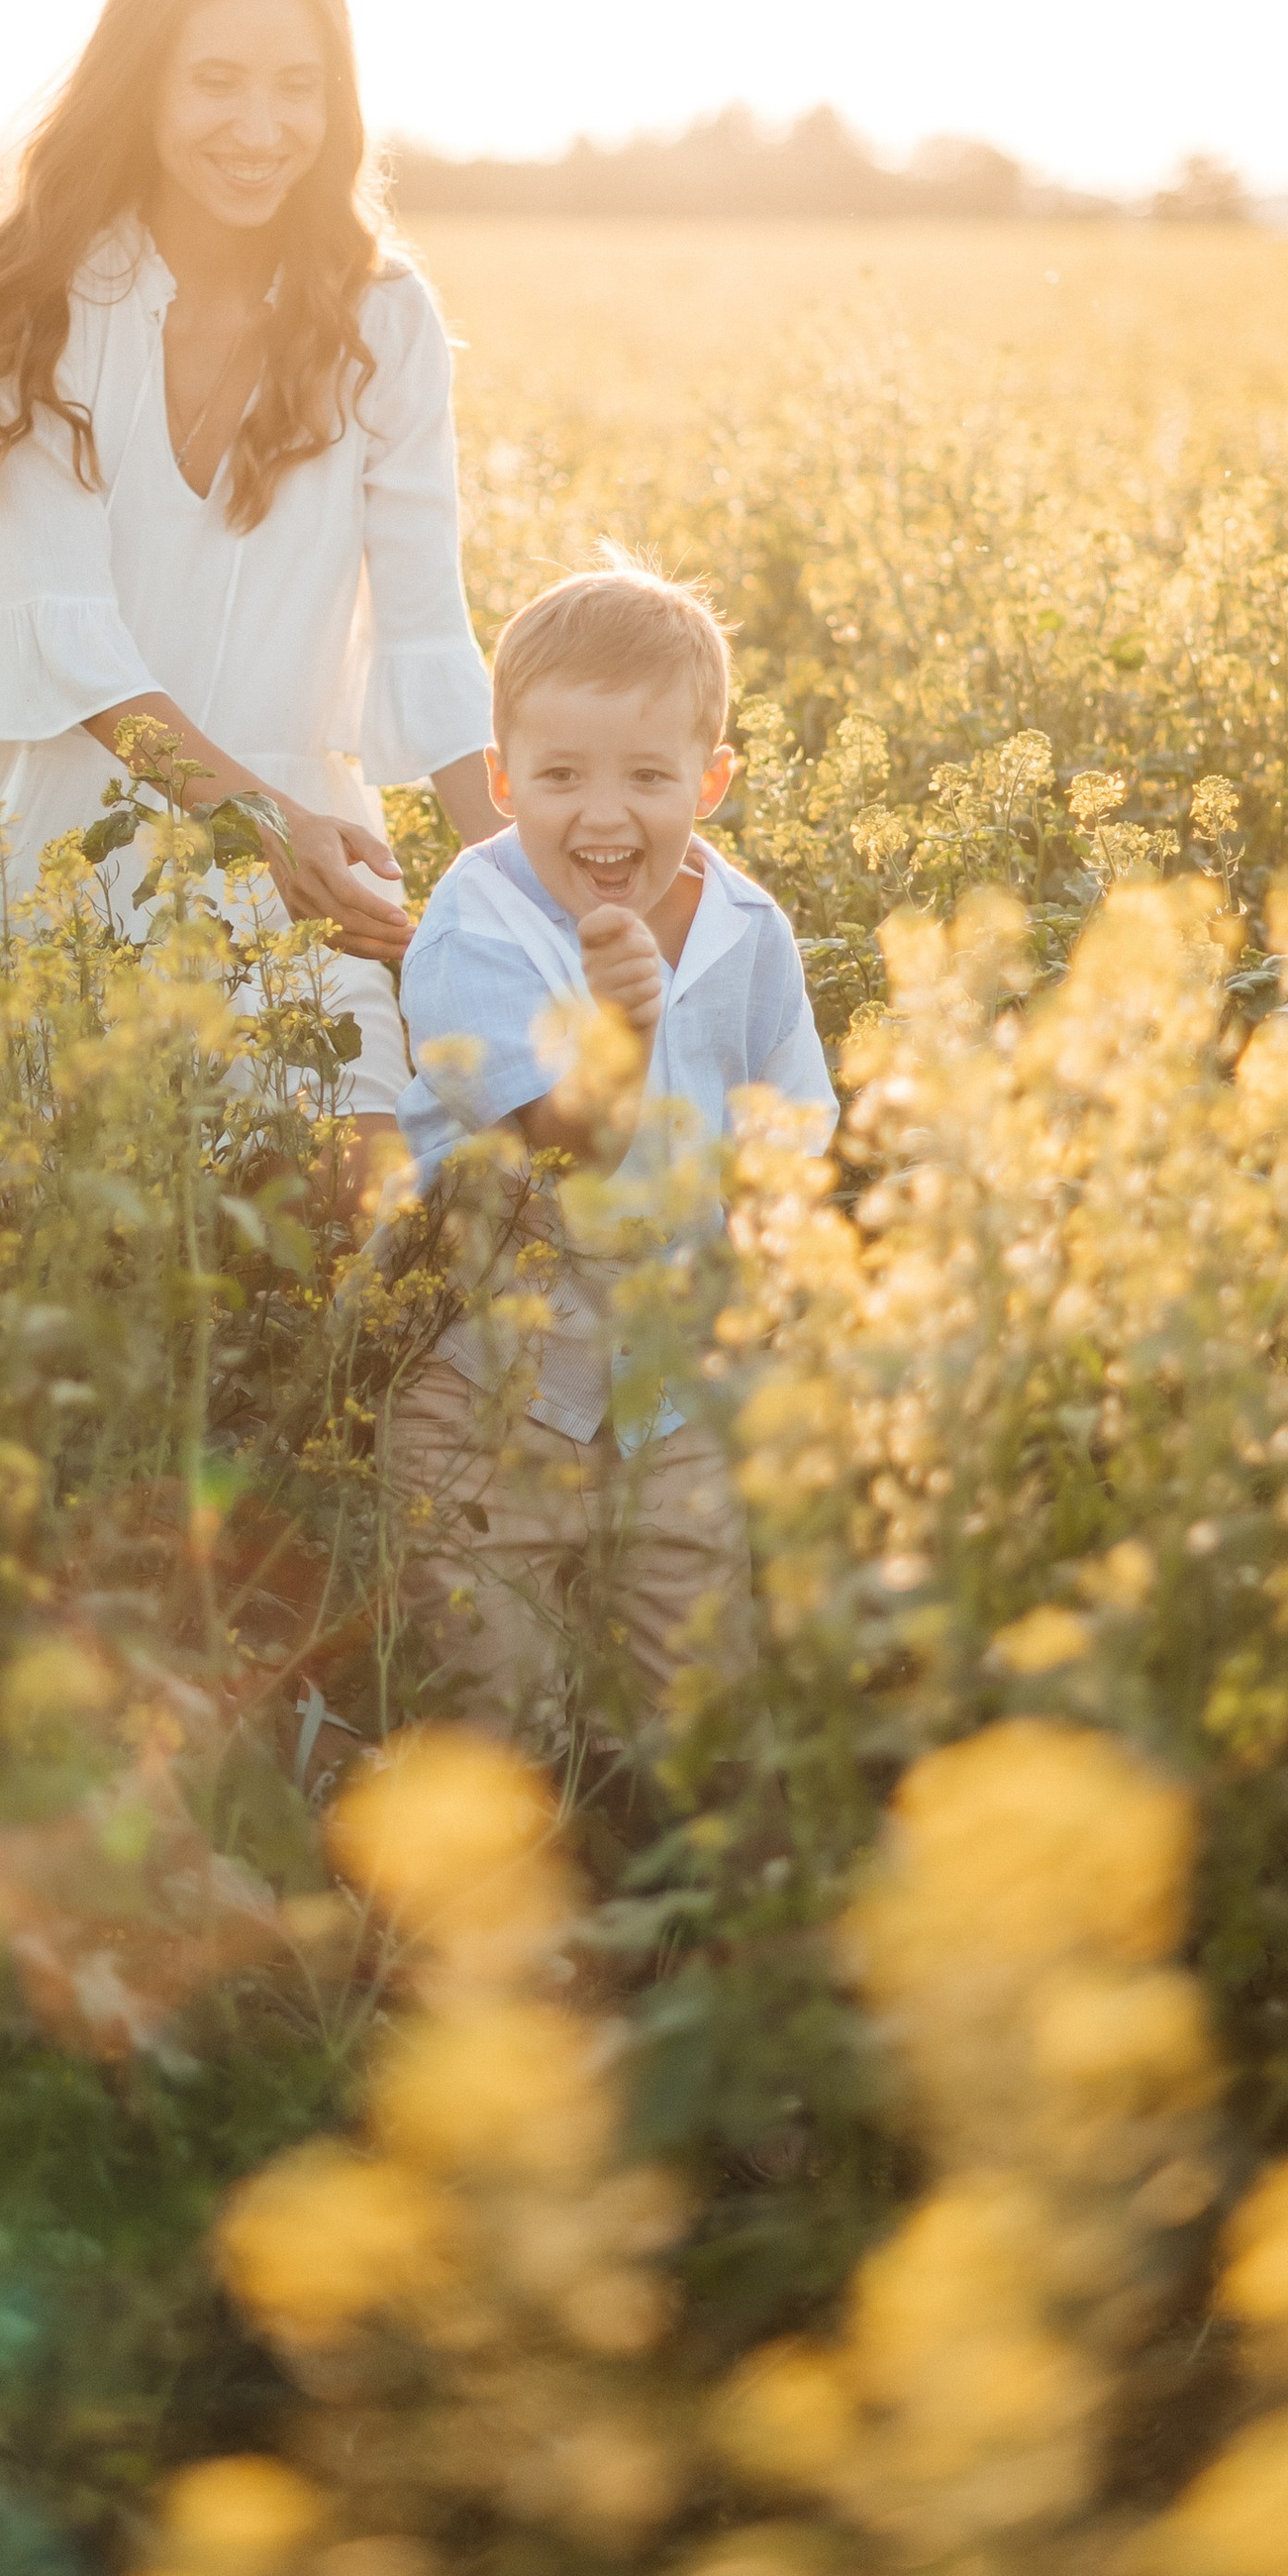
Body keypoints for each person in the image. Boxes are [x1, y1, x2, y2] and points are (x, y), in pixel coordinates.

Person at [0, 0, 501, 1152]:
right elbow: (65, 641)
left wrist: (531, 877)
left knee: (352, 1181)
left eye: (298, 86)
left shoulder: (386, 317)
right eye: (217, 81)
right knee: (51, 1213)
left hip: (281, 817)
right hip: (16, 815)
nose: (261, 129)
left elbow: (426, 632)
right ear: (143, 83)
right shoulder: (39, 298)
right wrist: (265, 826)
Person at [381, 559, 837, 1746]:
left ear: (710, 780)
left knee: (699, 1723)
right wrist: (618, 1036)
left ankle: (673, 1859)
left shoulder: (746, 927)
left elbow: (787, 1127)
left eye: (646, 775)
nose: (601, 814)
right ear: (499, 780)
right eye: (559, 775)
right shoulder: (473, 924)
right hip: (489, 1397)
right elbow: (555, 1151)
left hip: (672, 1404)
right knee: (499, 1719)